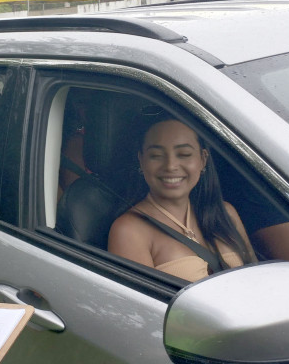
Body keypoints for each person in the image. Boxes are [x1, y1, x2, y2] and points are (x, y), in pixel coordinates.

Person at [108, 118, 256, 282]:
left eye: (184, 154)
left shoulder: (225, 213)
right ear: (141, 161)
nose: (170, 166)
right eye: (156, 156)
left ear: (203, 159)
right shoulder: (129, 230)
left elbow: (257, 279)